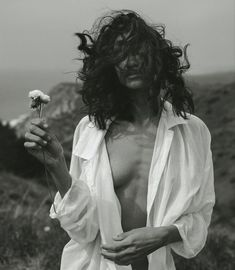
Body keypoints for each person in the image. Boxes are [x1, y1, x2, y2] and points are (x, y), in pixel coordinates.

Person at [24, 10, 215, 270]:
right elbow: (83, 230)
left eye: (137, 51)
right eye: (119, 54)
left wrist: (164, 235)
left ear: (158, 58)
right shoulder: (91, 129)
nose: (129, 62)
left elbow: (200, 217)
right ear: (110, 66)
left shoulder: (193, 132)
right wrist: (57, 165)